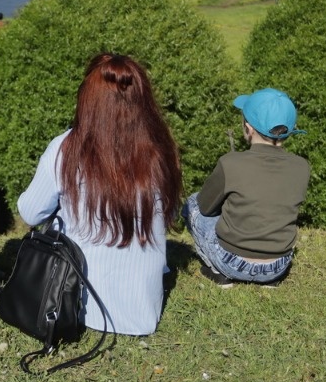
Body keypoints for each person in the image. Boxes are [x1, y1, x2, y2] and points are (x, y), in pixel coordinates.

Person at [17, 53, 182, 336]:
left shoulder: (65, 148)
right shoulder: (160, 149)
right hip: (144, 310)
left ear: (87, 101)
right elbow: (171, 212)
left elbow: (30, 213)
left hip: (81, 305)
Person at [183, 88, 309, 288]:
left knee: (192, 202)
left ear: (248, 128)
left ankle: (218, 271)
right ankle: (268, 280)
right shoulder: (302, 166)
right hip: (278, 266)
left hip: (231, 262)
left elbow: (205, 208)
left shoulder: (230, 162)